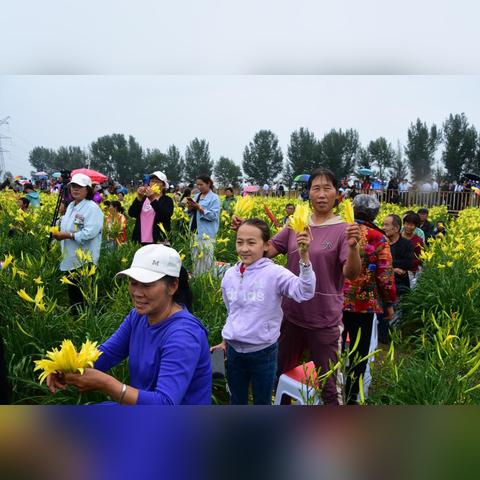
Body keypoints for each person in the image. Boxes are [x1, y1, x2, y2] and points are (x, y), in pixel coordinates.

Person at [46, 245, 212, 405]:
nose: (137, 293)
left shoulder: (184, 335)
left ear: (173, 286)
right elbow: (107, 354)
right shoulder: (138, 317)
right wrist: (66, 367)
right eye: (133, 283)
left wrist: (106, 384)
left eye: (147, 285)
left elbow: (165, 403)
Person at [253, 168, 361, 405]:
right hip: (290, 315)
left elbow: (351, 273)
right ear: (309, 194)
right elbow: (269, 250)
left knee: (330, 385)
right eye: (316, 188)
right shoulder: (296, 223)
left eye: (327, 188)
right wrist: (249, 236)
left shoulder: (344, 229)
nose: (321, 194)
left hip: (324, 319)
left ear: (337, 194)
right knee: (278, 374)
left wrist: (353, 247)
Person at [211, 218, 316, 405]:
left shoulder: (274, 274)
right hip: (235, 351)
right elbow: (233, 312)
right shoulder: (229, 275)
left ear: (266, 245)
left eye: (251, 243)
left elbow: (305, 291)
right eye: (239, 242)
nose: (244, 248)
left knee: (262, 401)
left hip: (263, 352)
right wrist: (225, 342)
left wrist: (304, 257)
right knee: (236, 400)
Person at [342, 195, 396, 404]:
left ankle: (331, 392)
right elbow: (385, 275)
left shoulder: (341, 230)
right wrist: (389, 304)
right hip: (363, 305)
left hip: (335, 302)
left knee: (333, 348)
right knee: (358, 353)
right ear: (375, 214)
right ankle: (351, 396)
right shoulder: (378, 237)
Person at [51, 173, 104, 308]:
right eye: (73, 186)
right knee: (74, 296)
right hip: (70, 258)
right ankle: (76, 322)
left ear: (88, 190)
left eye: (80, 187)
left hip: (84, 260)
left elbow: (90, 233)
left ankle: (86, 323)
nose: (75, 189)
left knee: (85, 297)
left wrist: (67, 235)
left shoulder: (92, 208)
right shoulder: (71, 206)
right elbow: (67, 226)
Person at [380, 214, 414, 343]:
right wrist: (393, 269)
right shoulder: (381, 241)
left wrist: (387, 265)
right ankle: (383, 336)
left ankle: (393, 336)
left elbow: (407, 264)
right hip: (383, 283)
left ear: (396, 228)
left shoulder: (406, 244)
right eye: (383, 224)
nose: (383, 228)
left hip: (399, 284)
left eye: (386, 225)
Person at [128, 171, 174, 245]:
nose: (154, 183)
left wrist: (153, 199)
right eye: (152, 181)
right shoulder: (143, 198)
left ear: (163, 185)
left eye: (158, 181)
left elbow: (165, 216)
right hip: (140, 239)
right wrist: (139, 198)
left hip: (159, 240)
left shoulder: (167, 200)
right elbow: (132, 213)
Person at [187, 175, 221, 276]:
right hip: (194, 233)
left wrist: (199, 207)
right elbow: (189, 213)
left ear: (208, 184)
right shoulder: (196, 196)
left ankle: (207, 282)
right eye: (197, 185)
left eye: (201, 184)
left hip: (206, 234)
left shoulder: (214, 198)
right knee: (195, 260)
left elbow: (213, 216)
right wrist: (190, 208)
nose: (199, 187)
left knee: (206, 261)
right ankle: (197, 280)